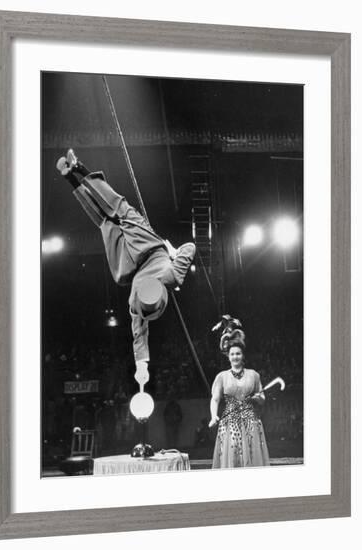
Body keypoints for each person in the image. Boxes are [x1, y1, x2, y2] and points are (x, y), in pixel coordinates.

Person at [56, 149, 196, 389]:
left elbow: (139, 335)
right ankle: (78, 168)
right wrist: (173, 253)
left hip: (126, 264)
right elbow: (190, 247)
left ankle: (71, 177)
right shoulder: (172, 276)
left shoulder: (136, 303)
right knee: (118, 207)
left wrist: (142, 367)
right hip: (148, 245)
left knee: (104, 222)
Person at [209, 317, 270, 468]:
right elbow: (215, 399)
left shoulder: (254, 375)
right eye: (232, 354)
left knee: (252, 461)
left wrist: (258, 399)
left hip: (251, 422)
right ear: (228, 357)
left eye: (238, 353)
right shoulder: (222, 376)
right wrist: (213, 415)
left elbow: (263, 398)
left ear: (243, 356)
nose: (235, 356)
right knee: (231, 461)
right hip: (229, 423)